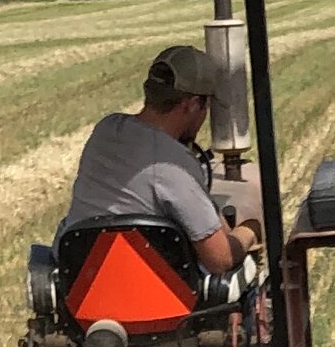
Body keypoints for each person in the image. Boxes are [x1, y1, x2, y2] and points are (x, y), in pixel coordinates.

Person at [60, 44, 262, 277]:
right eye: (205, 106)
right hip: (151, 296)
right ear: (193, 104)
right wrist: (249, 230)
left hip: (83, 286)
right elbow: (220, 258)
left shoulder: (106, 129)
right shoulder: (173, 164)